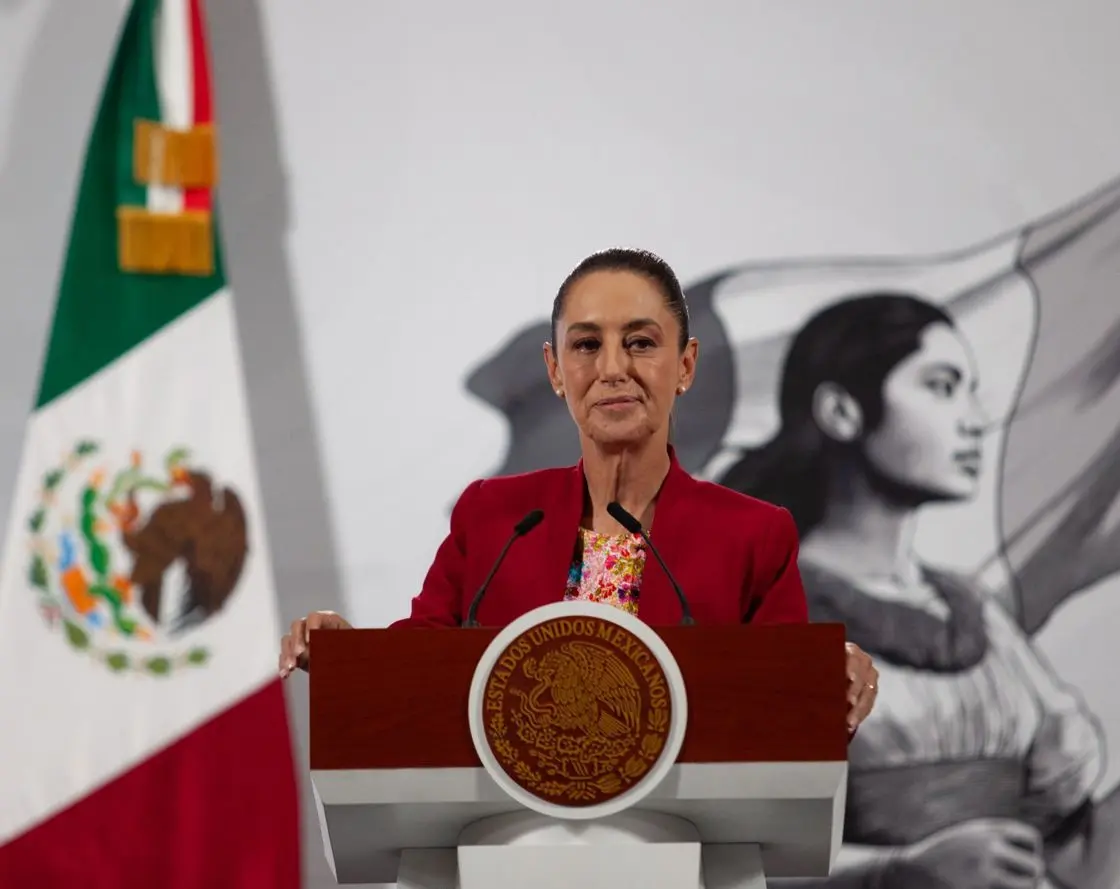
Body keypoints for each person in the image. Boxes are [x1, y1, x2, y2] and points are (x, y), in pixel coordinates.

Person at [280, 247, 879, 733]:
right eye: (587, 345)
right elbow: (420, 664)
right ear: (556, 370)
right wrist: (349, 656)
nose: (612, 368)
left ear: (687, 365)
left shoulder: (754, 533)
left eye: (641, 342)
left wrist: (830, 683)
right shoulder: (493, 517)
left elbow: (787, 711)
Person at [719, 292, 1120, 889]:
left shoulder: (981, 622)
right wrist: (899, 876)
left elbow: (1077, 870)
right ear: (842, 411)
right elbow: (713, 868)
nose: (974, 419)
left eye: (971, 390)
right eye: (942, 387)